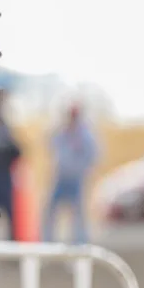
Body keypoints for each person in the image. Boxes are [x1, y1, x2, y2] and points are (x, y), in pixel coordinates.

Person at [42, 103, 98, 245]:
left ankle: (80, 242)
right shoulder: (62, 131)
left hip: (76, 178)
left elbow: (93, 155)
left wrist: (82, 168)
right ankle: (47, 241)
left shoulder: (85, 135)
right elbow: (49, 141)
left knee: (78, 213)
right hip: (61, 177)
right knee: (50, 210)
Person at [0, 88, 22, 239]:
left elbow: (16, 150)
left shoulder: (2, 123)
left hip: (3, 175)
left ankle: (12, 242)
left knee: (9, 213)